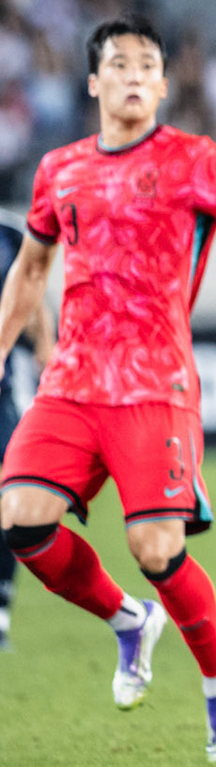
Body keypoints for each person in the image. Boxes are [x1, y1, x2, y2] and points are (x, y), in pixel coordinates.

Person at [0, 16, 216, 762]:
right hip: (71, 384)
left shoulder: (194, 159)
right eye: (118, 64)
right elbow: (30, 271)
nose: (133, 75)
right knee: (20, 521)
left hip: (154, 385)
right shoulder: (58, 168)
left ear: (163, 84)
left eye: (147, 65)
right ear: (94, 82)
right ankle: (128, 622)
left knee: (155, 547)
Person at [0, 211, 55, 651]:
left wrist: (45, 344)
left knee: (10, 499)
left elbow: (34, 291)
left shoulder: (13, 232)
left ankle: (0, 606)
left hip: (3, 389)